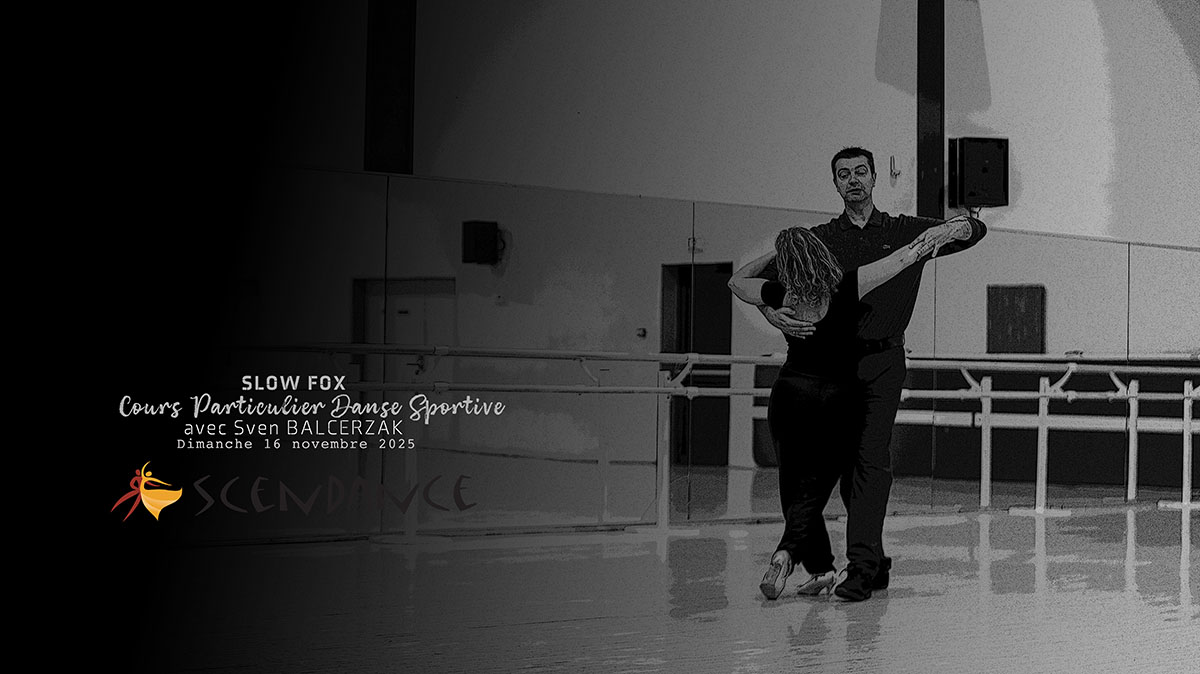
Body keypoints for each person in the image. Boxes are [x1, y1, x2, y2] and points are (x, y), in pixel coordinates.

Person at [751, 146, 987, 601]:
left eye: (861, 172)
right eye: (844, 174)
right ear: (835, 184)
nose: (853, 180)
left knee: (869, 460)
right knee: (829, 467)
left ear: (875, 178)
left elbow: (973, 233)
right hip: (829, 366)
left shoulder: (903, 231)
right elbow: (764, 277)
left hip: (882, 363)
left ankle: (861, 567)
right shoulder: (818, 239)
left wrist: (964, 223)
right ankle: (863, 561)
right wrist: (771, 313)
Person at [730, 226, 936, 599]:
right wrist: (940, 234)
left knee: (794, 485)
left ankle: (817, 567)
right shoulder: (847, 286)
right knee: (816, 487)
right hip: (839, 398)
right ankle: (790, 552)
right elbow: (902, 258)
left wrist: (774, 264)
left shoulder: (781, 293)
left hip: (792, 393)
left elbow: (737, 280)